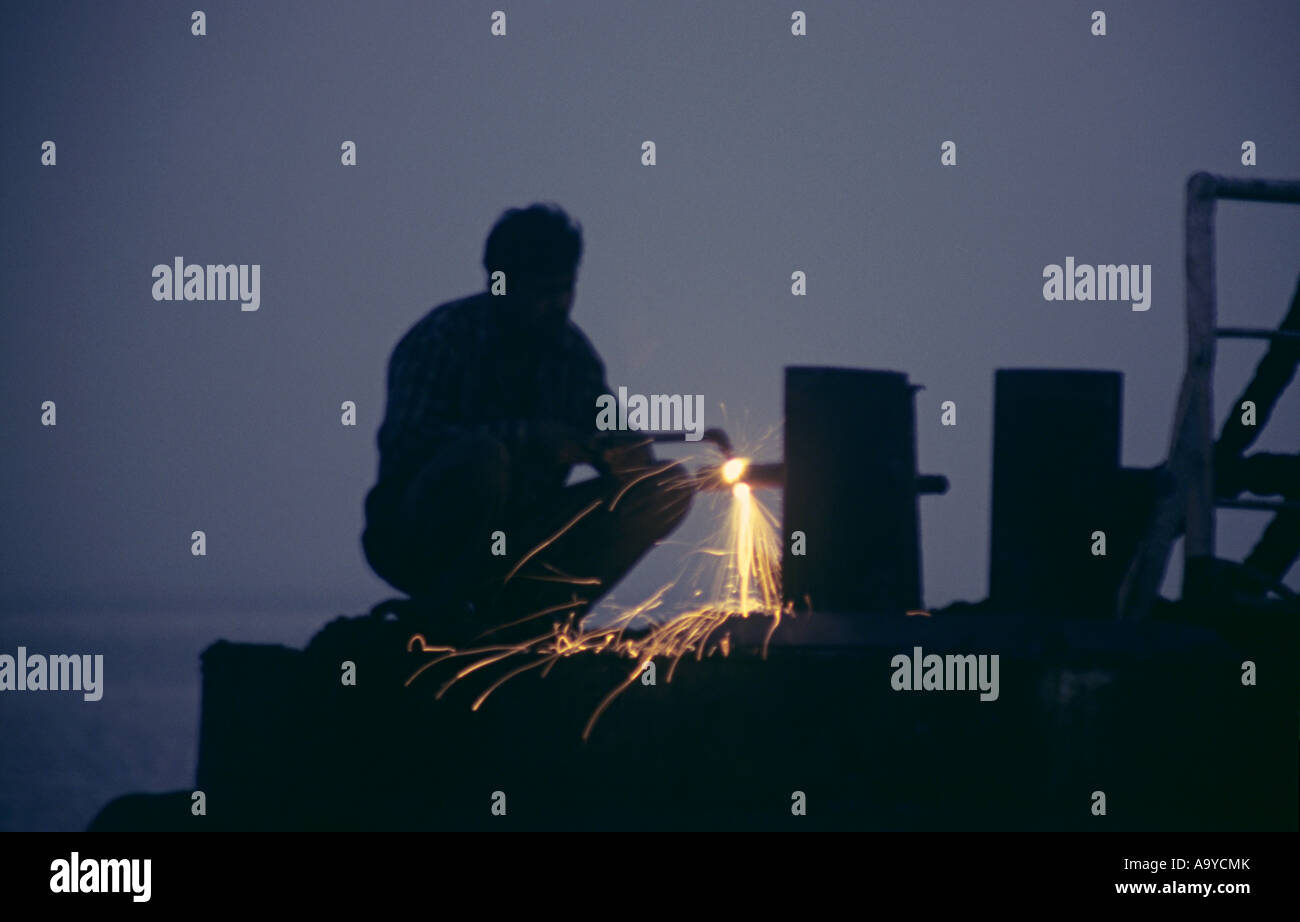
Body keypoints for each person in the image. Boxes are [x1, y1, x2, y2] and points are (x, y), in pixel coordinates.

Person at [360, 203, 694, 642]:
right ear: (500, 284)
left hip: (522, 540)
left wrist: (627, 456)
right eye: (542, 291)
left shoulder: (571, 355)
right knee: (483, 458)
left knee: (666, 488)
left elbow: (612, 426)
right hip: (416, 538)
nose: (557, 305)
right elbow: (408, 445)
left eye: (565, 289)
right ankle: (446, 611)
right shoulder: (442, 340)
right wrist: (528, 440)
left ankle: (534, 619)